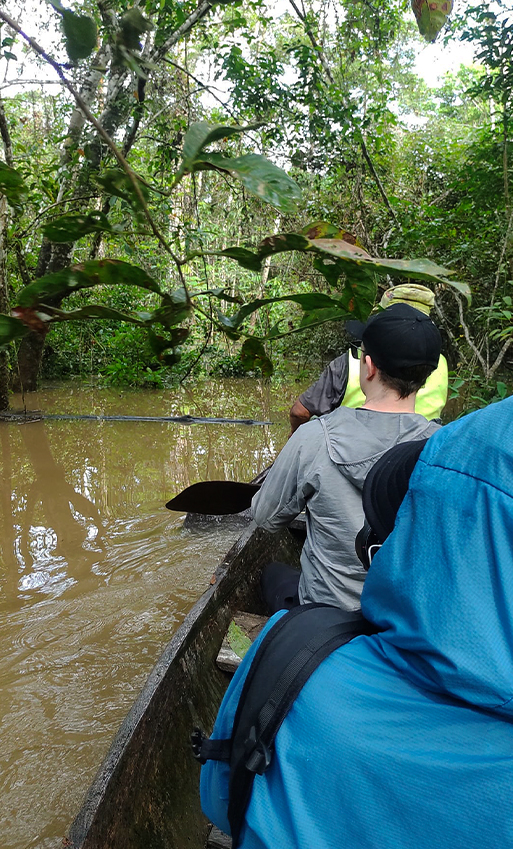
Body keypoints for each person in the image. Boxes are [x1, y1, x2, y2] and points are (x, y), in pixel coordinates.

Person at [200, 397, 513, 849]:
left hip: (326, 616)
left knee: (276, 581)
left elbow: (220, 805)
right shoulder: (431, 433)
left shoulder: (291, 650)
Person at [252, 302, 442, 612]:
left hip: (327, 614)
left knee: (272, 574)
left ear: (369, 368)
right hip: (402, 614)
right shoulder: (445, 450)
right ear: (426, 375)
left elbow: (265, 517)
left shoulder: (314, 437)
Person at [289, 283, 448, 435]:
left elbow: (299, 412)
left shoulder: (352, 361)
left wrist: (299, 440)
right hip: (417, 455)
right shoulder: (440, 363)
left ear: (370, 365)